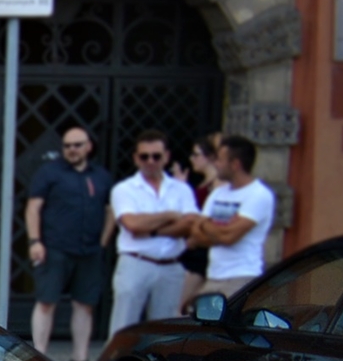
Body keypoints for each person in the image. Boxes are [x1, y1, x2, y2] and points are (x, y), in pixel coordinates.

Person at [24, 126, 108, 361]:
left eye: (77, 145)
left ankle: (80, 358)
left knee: (84, 304)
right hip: (54, 247)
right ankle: (39, 357)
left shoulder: (100, 176)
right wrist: (35, 241)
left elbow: (110, 210)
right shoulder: (49, 173)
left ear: (88, 146)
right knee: (46, 300)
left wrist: (103, 241)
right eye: (67, 146)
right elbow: (33, 208)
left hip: (89, 250)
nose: (72, 150)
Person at [102, 130, 195, 338]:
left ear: (167, 157)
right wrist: (170, 215)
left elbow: (191, 225)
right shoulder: (124, 189)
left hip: (171, 265)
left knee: (165, 331)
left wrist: (150, 228)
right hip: (136, 262)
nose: (150, 161)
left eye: (156, 156)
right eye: (144, 156)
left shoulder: (182, 189)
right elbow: (132, 224)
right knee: (123, 328)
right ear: (136, 158)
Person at [179, 134, 276, 300]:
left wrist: (205, 223)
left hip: (242, 277)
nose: (215, 164)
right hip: (214, 276)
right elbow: (195, 233)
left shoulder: (259, 195)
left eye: (220, 160)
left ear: (235, 164)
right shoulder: (218, 193)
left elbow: (229, 237)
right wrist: (218, 229)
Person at [176, 132, 222, 311]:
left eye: (196, 154)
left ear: (210, 157)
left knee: (181, 305)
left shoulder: (216, 184)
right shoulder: (203, 183)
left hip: (202, 251)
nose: (192, 159)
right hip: (195, 249)